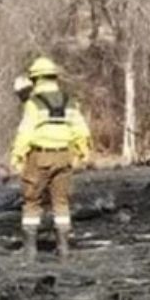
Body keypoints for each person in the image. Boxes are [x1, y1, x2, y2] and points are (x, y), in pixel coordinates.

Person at [9, 57, 92, 261]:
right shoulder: (69, 101)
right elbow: (81, 129)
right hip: (64, 156)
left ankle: (30, 251)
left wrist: (17, 156)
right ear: (54, 77)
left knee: (31, 202)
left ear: (35, 80)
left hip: (39, 156)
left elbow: (25, 132)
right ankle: (63, 248)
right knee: (61, 203)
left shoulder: (34, 103)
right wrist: (83, 151)